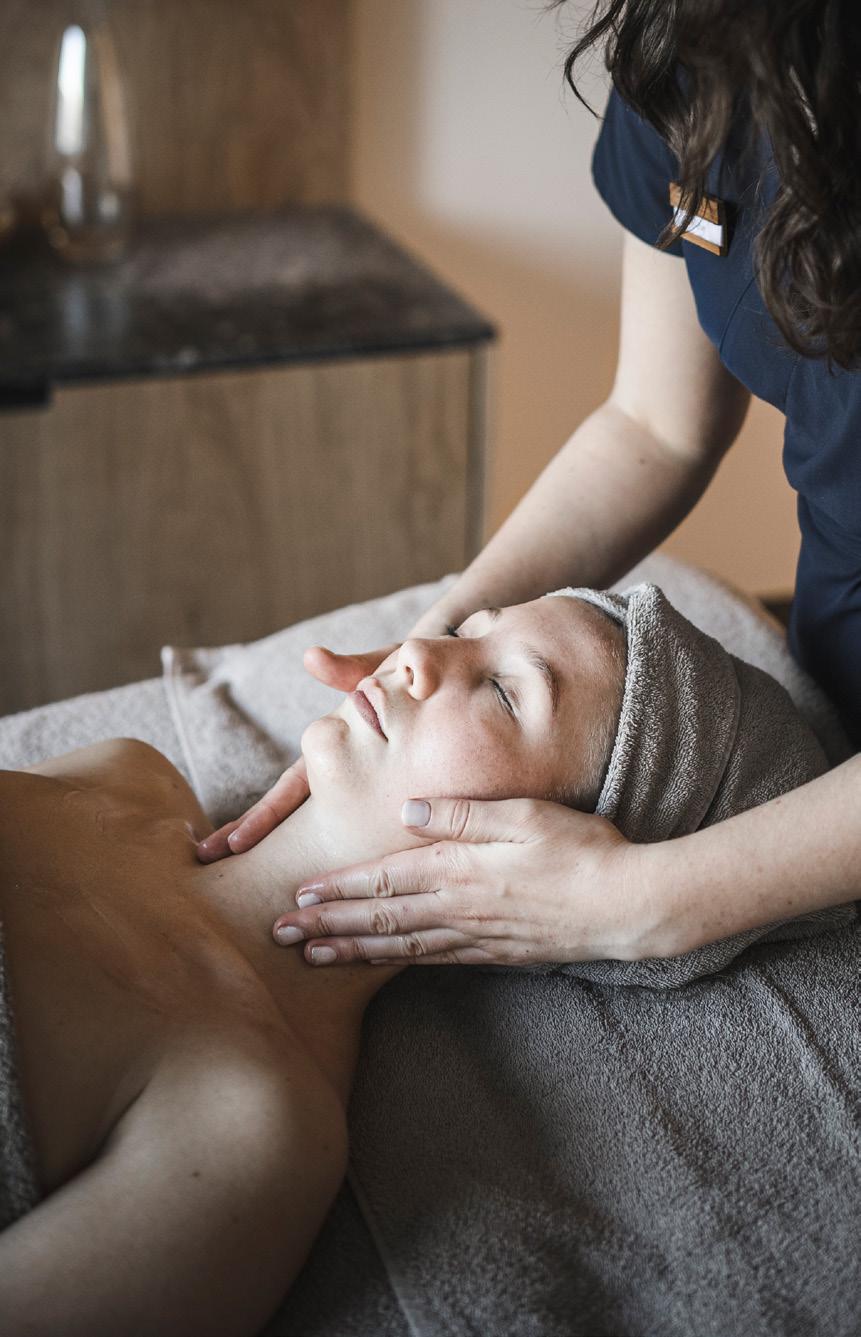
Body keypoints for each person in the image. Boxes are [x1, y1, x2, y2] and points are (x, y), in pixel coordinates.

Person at [199, 0, 861, 971]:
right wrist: (442, 630)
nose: (424, 660)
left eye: (509, 691)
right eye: (482, 647)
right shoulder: (695, 53)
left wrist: (655, 901)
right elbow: (655, 425)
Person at [0, 591, 629, 1336]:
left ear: (541, 857)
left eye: (502, 691)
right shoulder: (125, 773)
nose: (418, 651)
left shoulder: (251, 1127)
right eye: (464, 629)